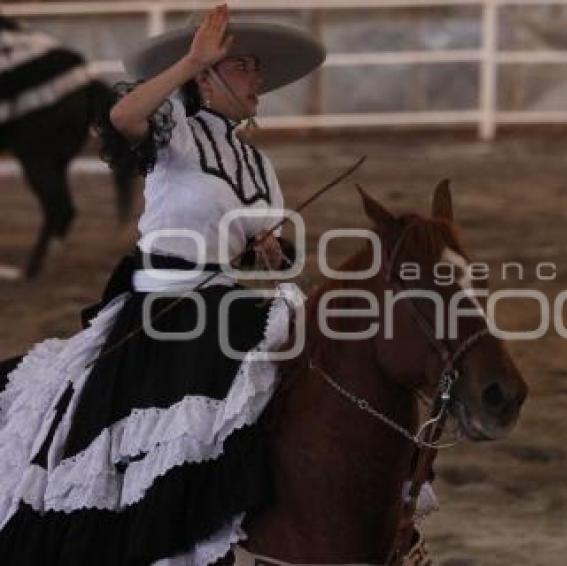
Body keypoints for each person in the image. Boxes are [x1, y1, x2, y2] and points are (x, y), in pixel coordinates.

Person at [0, 5, 325, 564]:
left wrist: (270, 251)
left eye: (255, 68)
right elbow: (122, 116)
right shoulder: (174, 128)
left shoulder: (257, 163)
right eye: (244, 66)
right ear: (208, 77)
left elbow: (274, 251)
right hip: (163, 305)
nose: (259, 78)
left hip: (223, 299)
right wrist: (189, 61)